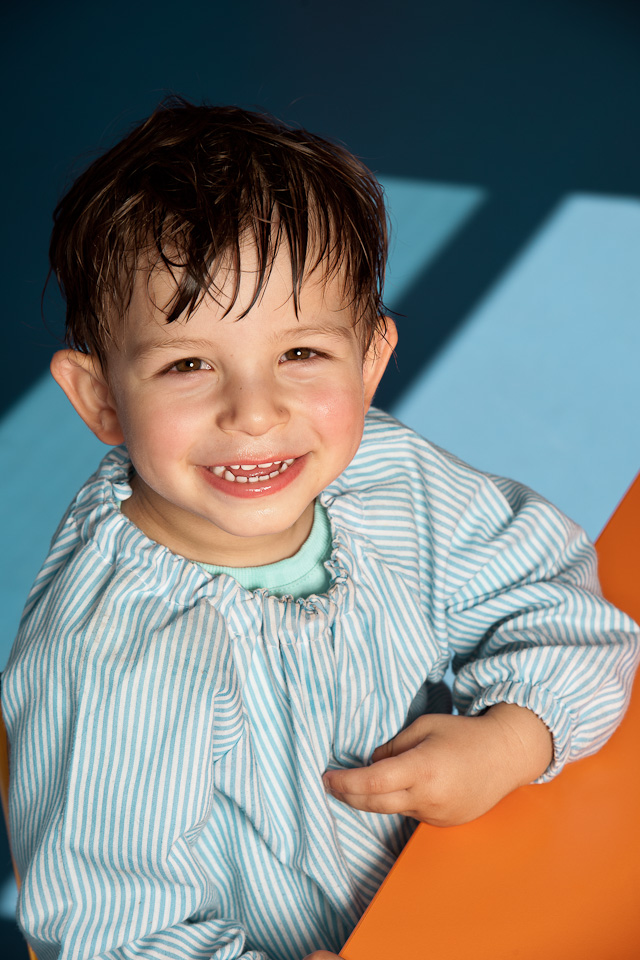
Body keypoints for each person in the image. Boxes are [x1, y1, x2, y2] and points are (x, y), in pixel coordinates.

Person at [2, 98, 638, 960]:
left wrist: (512, 739)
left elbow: (552, 595)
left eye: (300, 354)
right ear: (100, 399)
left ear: (371, 359)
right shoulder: (117, 657)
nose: (256, 414)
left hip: (454, 893)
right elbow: (110, 933)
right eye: (189, 364)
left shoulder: (384, 473)